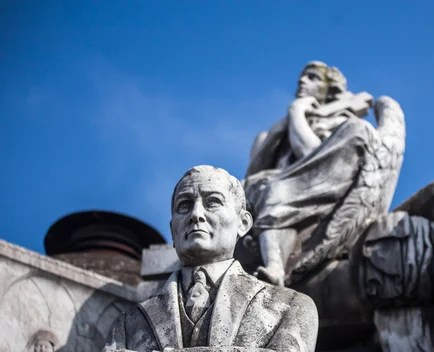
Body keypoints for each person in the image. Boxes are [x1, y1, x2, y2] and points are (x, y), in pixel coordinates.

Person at [104, 166, 319, 352]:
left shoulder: (291, 308)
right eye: (184, 205)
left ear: (243, 223)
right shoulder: (127, 324)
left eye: (212, 202)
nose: (196, 214)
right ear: (172, 230)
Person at [245, 61, 405, 286]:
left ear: (330, 90)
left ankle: (275, 266)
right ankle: (274, 265)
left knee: (276, 190)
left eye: (312, 77)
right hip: (271, 196)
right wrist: (279, 130)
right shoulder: (276, 133)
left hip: (319, 189)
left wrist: (297, 113)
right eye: (303, 76)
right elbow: (250, 178)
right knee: (269, 189)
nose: (302, 81)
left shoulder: (338, 124)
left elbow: (312, 157)